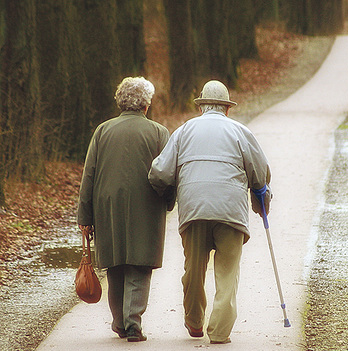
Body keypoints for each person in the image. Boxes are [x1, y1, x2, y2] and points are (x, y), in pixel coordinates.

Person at [148, 80, 271, 344]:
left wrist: (164, 193)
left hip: (194, 210)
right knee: (227, 274)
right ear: (227, 108)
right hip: (230, 213)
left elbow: (160, 172)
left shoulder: (184, 131)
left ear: (201, 106)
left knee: (193, 269)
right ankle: (219, 332)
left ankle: (194, 322)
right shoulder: (240, 131)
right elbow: (260, 173)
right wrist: (262, 198)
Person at [77, 76, 172, 342]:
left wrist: (85, 216)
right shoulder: (158, 132)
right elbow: (166, 174)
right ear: (146, 105)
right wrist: (168, 200)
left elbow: (89, 175)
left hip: (107, 207)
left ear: (121, 102)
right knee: (140, 264)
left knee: (115, 264)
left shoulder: (102, 131)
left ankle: (119, 321)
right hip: (146, 205)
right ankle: (133, 323)